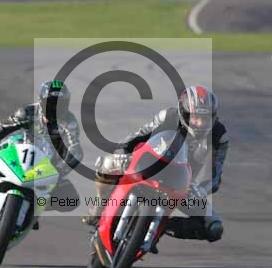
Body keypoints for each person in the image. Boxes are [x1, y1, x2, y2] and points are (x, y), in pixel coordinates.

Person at [82, 85, 228, 246]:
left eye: (205, 119)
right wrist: (122, 152)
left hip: (182, 184)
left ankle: (161, 226)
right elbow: (139, 135)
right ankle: (99, 207)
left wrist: (201, 190)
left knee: (214, 228)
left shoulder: (219, 135)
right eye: (195, 118)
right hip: (148, 165)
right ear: (184, 113)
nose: (199, 124)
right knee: (107, 163)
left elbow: (216, 173)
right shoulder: (168, 116)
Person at [0, 79, 84, 227]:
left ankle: (34, 208)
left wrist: (60, 170)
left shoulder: (69, 122)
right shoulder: (28, 112)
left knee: (71, 200)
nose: (55, 108)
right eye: (51, 103)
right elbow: (0, 128)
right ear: (41, 101)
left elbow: (75, 150)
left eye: (60, 104)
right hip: (19, 152)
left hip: (45, 164)